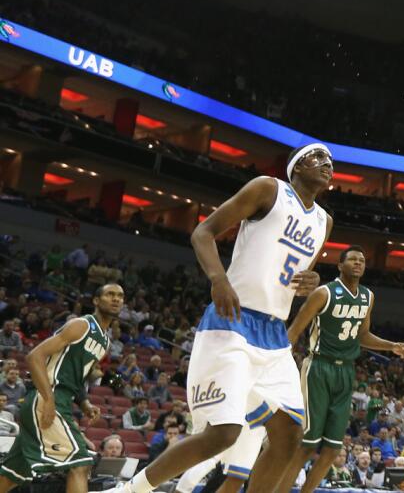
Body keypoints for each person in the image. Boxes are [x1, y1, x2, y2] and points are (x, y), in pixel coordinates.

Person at [101, 143, 332, 493]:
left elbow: (297, 276)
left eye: (331, 161)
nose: (327, 164)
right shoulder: (268, 189)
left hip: (273, 333)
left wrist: (312, 281)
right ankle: (129, 491)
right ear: (296, 167)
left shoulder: (324, 222)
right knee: (223, 433)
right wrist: (218, 279)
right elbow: (203, 232)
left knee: (289, 436)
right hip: (234, 321)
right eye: (317, 158)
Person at [288, 245, 404, 493]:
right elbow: (294, 331)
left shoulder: (368, 296)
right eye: (352, 259)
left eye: (362, 260)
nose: (358, 263)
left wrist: (391, 346)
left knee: (333, 447)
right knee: (308, 444)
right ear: (339, 266)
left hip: (346, 372)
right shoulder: (324, 293)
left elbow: (362, 335)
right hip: (318, 366)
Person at [0, 283, 124, 493]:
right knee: (81, 463)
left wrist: (84, 403)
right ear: (95, 300)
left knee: (12, 475)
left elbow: (76, 378)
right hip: (46, 396)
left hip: (62, 400)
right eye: (110, 294)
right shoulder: (81, 325)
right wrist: (48, 399)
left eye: (120, 296)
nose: (116, 299)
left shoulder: (104, 341)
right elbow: (34, 356)